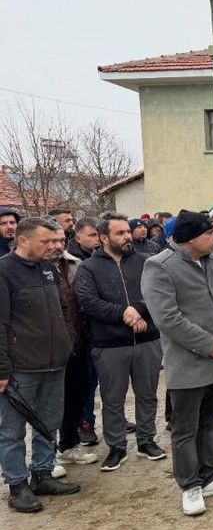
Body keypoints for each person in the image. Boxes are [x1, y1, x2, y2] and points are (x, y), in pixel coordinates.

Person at [141, 210, 213, 516]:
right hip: (189, 362)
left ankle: (211, 476)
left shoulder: (212, 261)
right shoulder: (159, 266)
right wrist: (210, 345)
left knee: (210, 423)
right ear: (190, 239)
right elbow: (167, 318)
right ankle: (190, 486)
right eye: (210, 233)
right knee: (185, 428)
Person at [74, 214, 166, 471]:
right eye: (120, 233)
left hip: (147, 339)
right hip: (109, 345)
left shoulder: (146, 261)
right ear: (104, 238)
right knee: (112, 399)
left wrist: (137, 309)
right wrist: (123, 314)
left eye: (128, 231)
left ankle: (147, 440)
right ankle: (117, 446)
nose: (127, 236)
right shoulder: (89, 268)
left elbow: (159, 292)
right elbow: (88, 302)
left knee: (147, 394)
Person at [0, 217, 79, 512]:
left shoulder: (47, 269)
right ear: (24, 241)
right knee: (12, 431)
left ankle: (43, 474)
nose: (53, 246)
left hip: (54, 363)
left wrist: (67, 339)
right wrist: (2, 368)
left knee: (49, 423)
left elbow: (62, 308)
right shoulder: (4, 271)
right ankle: (17, 484)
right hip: (20, 369)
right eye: (46, 242)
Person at [48, 226, 98, 470]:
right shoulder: (21, 268)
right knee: (47, 403)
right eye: (51, 240)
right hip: (44, 350)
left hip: (78, 343)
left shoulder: (75, 264)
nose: (57, 245)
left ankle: (68, 445)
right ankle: (45, 458)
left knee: (75, 397)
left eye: (60, 240)